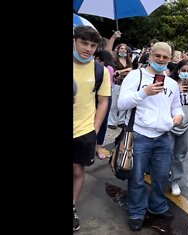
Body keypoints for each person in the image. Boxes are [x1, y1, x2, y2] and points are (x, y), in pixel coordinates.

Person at [117, 42, 184, 232]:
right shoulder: (135, 75)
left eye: (165, 57)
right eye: (158, 56)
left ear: (170, 59)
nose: (161, 60)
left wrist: (178, 117)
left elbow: (176, 107)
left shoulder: (171, 83)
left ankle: (157, 206)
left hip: (163, 137)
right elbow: (121, 104)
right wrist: (143, 93)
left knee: (162, 176)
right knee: (137, 177)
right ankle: (136, 212)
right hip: (139, 135)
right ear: (150, 55)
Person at [73, 25, 111, 232]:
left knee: (78, 170)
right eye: (84, 43)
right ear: (74, 41)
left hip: (83, 131)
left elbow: (104, 101)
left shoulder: (100, 71)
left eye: (93, 45)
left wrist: (94, 129)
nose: (88, 48)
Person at [168, 59, 188, 196]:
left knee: (179, 155)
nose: (186, 74)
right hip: (170, 125)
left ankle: (175, 181)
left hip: (186, 125)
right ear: (178, 70)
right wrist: (176, 91)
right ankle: (162, 175)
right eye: (183, 71)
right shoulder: (171, 84)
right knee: (166, 153)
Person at [93, 50, 115, 159]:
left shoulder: (107, 69)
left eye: (97, 59)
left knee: (102, 120)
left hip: (104, 95)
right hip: (93, 95)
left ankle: (99, 146)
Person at [107, 43, 133, 129]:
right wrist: (125, 71)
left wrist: (121, 71)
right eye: (121, 48)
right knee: (114, 103)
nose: (123, 50)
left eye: (125, 49)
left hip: (126, 84)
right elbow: (114, 72)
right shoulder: (114, 60)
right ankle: (112, 121)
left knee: (123, 102)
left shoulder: (128, 61)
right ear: (118, 50)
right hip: (116, 83)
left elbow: (131, 70)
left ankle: (121, 121)